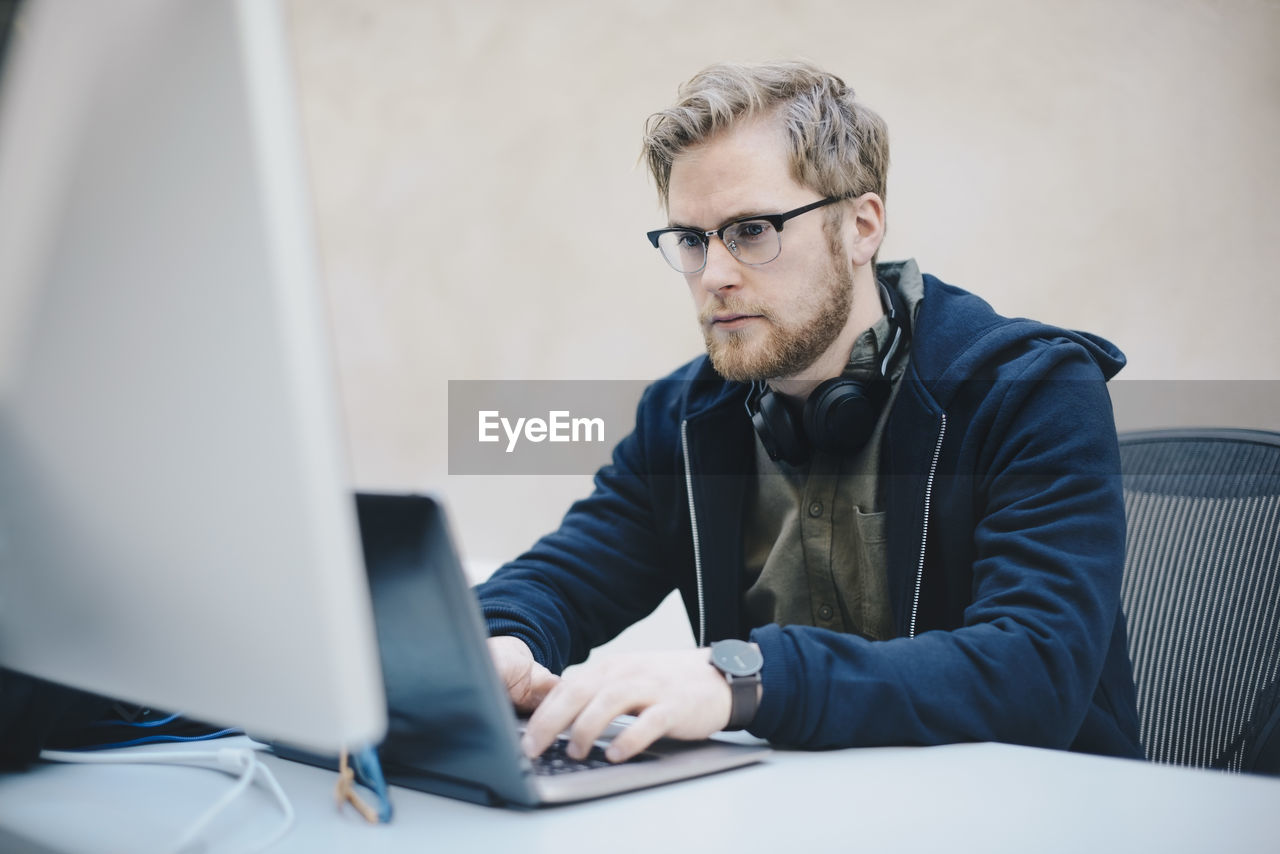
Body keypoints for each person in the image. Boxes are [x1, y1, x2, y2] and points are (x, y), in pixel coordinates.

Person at [474, 60, 1144, 765]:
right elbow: (567, 575)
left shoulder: (1031, 391)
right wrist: (503, 642)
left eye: (753, 230)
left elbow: (1033, 672)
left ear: (861, 227)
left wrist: (743, 680)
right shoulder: (684, 416)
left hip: (1026, 813)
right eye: (693, 241)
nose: (715, 275)